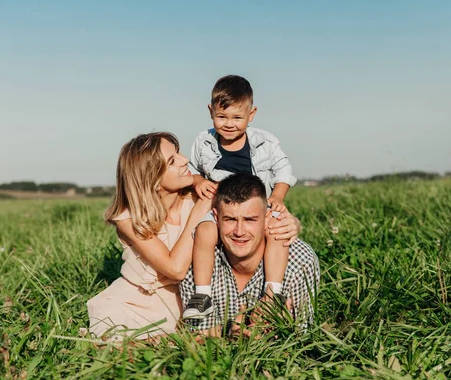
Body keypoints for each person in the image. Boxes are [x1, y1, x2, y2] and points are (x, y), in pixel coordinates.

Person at [183, 75, 298, 319]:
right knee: (203, 232)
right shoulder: (203, 142)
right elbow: (192, 169)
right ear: (210, 110)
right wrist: (199, 181)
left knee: (277, 231)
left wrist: (277, 196)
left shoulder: (265, 142)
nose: (229, 124)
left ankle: (272, 293)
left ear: (252, 114)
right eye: (221, 116)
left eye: (237, 117)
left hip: (258, 207)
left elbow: (284, 171)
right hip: (222, 210)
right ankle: (202, 295)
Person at [87, 132, 212, 340]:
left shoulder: (196, 197)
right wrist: (200, 213)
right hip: (135, 304)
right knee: (122, 353)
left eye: (178, 152)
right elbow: (175, 269)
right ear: (153, 179)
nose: (185, 160)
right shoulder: (129, 219)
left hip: (186, 300)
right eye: (172, 161)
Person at [180, 173, 320, 335]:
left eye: (250, 220)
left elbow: (305, 338)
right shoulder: (197, 259)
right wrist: (236, 343)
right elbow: (200, 341)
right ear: (216, 218)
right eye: (230, 219)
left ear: (267, 218)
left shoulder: (299, 261)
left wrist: (277, 337)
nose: (239, 232)